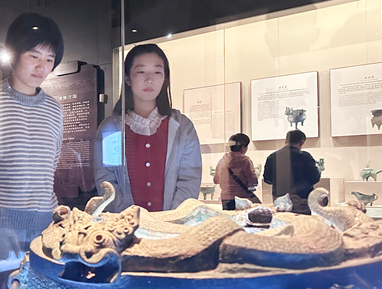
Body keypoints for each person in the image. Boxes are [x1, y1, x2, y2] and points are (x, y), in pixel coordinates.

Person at [0, 12, 64, 289]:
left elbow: (49, 168)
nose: (42, 66)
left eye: (49, 59)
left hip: (42, 227)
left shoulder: (54, 110)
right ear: (14, 54)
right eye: (34, 56)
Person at [94, 44, 201, 213]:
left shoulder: (182, 127)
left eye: (157, 72)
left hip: (172, 224)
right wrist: (128, 219)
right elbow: (107, 181)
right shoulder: (111, 129)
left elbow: (189, 180)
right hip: (125, 224)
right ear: (127, 78)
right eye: (141, 71)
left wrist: (171, 219)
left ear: (165, 78)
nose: (149, 79)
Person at [263, 129, 321, 214]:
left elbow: (267, 179)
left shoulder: (272, 157)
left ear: (286, 141)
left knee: (282, 220)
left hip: (279, 199)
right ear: (301, 142)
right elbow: (315, 178)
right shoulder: (305, 156)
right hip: (301, 199)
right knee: (301, 221)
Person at [214, 133, 259, 210]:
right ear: (243, 148)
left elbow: (216, 180)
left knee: (229, 217)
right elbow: (253, 181)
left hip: (225, 198)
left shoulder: (222, 161)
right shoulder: (245, 161)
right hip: (242, 198)